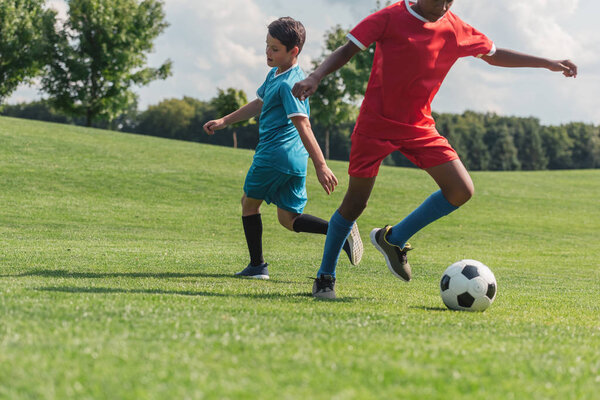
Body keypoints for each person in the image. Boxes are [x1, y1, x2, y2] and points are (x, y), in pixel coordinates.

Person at [292, 0, 577, 298]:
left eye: (449, 0)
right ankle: (325, 276)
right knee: (354, 204)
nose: (443, 5)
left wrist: (547, 62)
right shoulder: (390, 17)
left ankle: (394, 238)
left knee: (461, 189)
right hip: (375, 125)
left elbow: (494, 55)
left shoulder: (455, 28)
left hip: (419, 127)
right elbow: (347, 50)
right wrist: (316, 76)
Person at [203, 17, 363, 280]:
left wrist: (321, 165)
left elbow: (304, 125)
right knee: (288, 219)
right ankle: (340, 230)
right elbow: (259, 104)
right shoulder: (276, 74)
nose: (268, 52)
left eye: (275, 49)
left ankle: (257, 267)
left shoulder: (293, 84)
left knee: (248, 204)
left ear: (294, 51)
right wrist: (224, 121)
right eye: (267, 46)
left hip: (273, 156)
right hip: (293, 160)